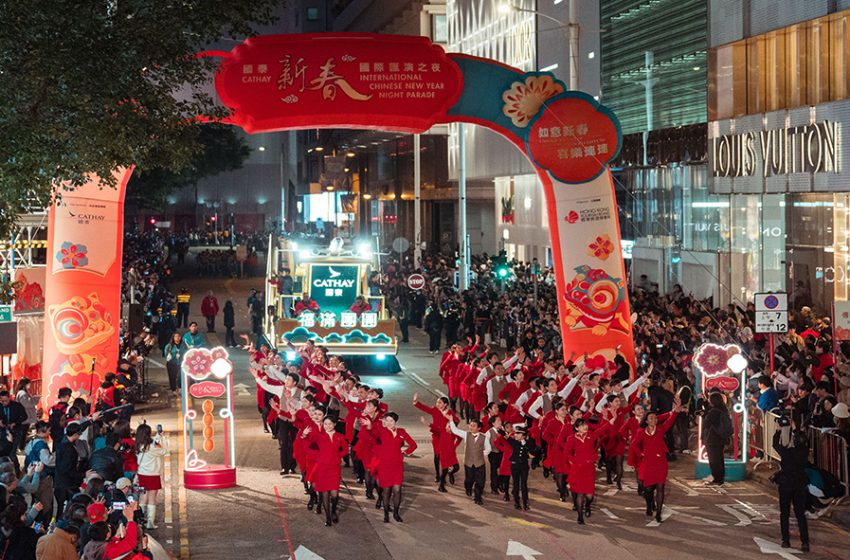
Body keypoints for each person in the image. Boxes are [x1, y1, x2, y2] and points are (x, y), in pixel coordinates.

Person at [633, 399, 681, 523]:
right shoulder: (641, 432)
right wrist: (641, 454)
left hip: (660, 463)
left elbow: (669, 422)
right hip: (648, 463)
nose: (654, 420)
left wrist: (675, 411)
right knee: (648, 490)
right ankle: (649, 505)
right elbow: (634, 445)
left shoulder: (660, 429)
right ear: (646, 421)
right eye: (651, 419)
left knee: (660, 487)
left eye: (655, 418)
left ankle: (658, 512)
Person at [362, 412, 417, 522]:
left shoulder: (401, 432)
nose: (388, 423)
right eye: (386, 421)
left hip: (397, 466)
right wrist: (369, 426)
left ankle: (396, 513)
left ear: (395, 421)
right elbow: (373, 434)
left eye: (391, 421)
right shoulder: (381, 431)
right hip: (384, 466)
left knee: (397, 490)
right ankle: (386, 514)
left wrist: (405, 452)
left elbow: (413, 445)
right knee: (386, 491)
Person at [302, 413, 348, 527]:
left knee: (334, 494)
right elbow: (307, 442)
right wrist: (304, 434)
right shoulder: (319, 436)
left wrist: (338, 456)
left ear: (335, 424)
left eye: (330, 424)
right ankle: (328, 517)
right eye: (325, 424)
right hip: (322, 468)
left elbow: (346, 450)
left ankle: (333, 511)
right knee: (325, 493)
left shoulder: (340, 436)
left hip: (334, 468)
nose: (327, 426)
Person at [772, 415, 810, 552]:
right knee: (800, 514)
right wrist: (795, 429)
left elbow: (775, 444)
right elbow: (802, 441)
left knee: (785, 513)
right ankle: (805, 542)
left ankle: (785, 540)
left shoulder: (786, 452)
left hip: (786, 484)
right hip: (799, 484)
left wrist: (778, 430)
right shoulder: (803, 452)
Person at [448, 418, 489, 505]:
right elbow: (455, 431)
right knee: (469, 480)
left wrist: (483, 453)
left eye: (473, 426)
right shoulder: (466, 435)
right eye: (470, 425)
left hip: (480, 463)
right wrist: (451, 420)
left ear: (479, 428)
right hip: (468, 463)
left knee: (480, 481)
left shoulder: (484, 437)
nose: (471, 427)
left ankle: (477, 497)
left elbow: (488, 448)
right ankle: (468, 488)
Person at [135, 423, 168, 529]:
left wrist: (158, 437)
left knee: (143, 498)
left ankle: (139, 520)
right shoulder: (152, 446)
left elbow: (155, 443)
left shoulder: (138, 446)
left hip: (142, 475)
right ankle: (150, 522)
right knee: (152, 498)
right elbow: (163, 450)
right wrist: (162, 437)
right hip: (153, 475)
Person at [54, 423, 85, 523]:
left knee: (61, 508)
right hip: (66, 485)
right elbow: (66, 470)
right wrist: (83, 475)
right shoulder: (69, 450)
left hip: (59, 481)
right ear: (75, 435)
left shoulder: (61, 441)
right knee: (66, 509)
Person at [701, 392, 731, 486]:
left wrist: (703, 415)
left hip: (712, 438)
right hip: (720, 437)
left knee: (714, 459)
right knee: (719, 458)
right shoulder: (723, 409)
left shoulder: (714, 412)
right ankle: (720, 478)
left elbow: (707, 423)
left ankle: (717, 478)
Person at [0, 390, 27, 470]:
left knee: (12, 453)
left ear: (9, 398)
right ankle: (5, 470)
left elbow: (24, 416)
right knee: (4, 452)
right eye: (2, 401)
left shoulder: (17, 405)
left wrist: (15, 423)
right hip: (3, 431)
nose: (4, 403)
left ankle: (16, 471)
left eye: (6, 401)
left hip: (16, 431)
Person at [14, 378, 39, 451]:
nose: (29, 385)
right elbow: (27, 404)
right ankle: (21, 448)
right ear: (25, 384)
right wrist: (35, 399)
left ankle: (21, 447)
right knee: (23, 433)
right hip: (25, 416)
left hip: (25, 416)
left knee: (23, 433)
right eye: (28, 384)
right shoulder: (22, 393)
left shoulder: (22, 392)